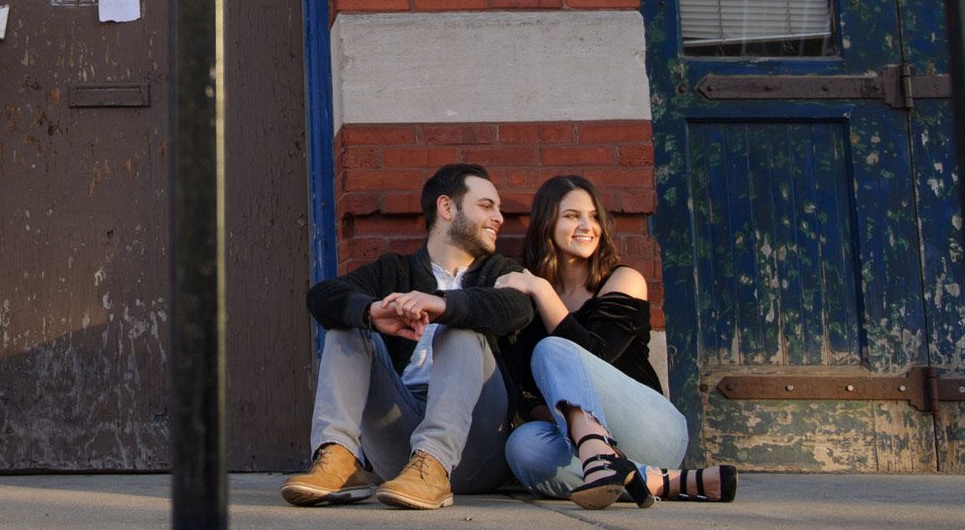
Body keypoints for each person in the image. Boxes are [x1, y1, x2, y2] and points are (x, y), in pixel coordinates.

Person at [280, 163, 535, 510]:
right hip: (399, 451)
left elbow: (517, 309)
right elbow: (322, 296)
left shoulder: (498, 272)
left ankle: (435, 463)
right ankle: (338, 460)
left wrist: (442, 304)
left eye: (499, 209)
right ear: (447, 208)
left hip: (477, 446)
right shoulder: (395, 271)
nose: (499, 218)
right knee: (349, 323)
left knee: (460, 330)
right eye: (487, 206)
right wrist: (371, 312)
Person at [498, 175, 736, 507]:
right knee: (522, 447)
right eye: (572, 216)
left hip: (651, 429)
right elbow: (526, 397)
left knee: (553, 349)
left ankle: (600, 451)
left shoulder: (624, 280)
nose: (586, 225)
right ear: (546, 223)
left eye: (594, 216)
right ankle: (660, 480)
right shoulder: (526, 307)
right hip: (579, 445)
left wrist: (541, 289)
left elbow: (594, 356)